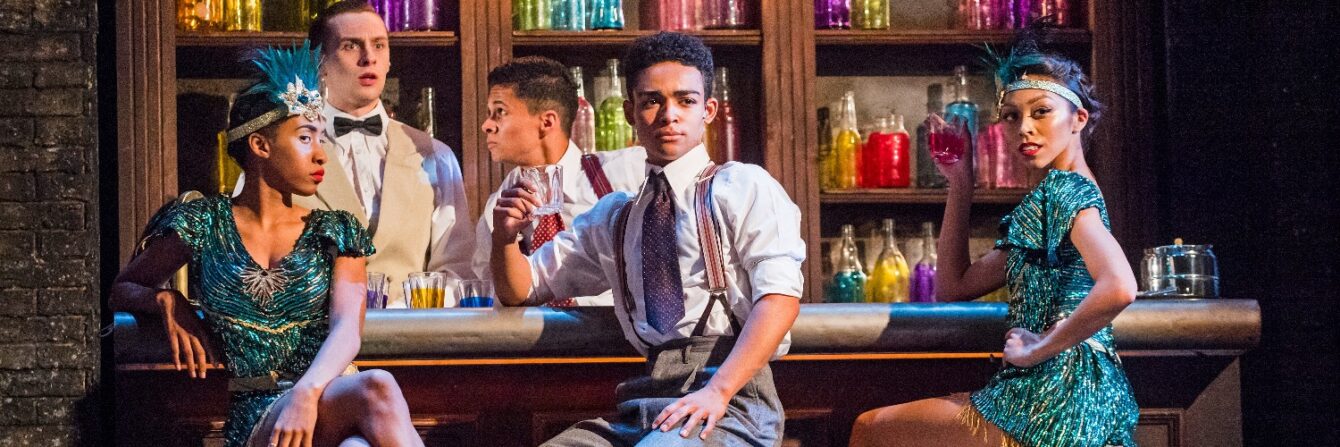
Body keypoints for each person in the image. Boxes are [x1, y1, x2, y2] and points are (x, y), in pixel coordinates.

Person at [491, 32, 805, 446]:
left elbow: (779, 299)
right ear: (630, 112)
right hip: (645, 402)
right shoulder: (615, 216)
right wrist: (504, 238)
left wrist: (718, 390)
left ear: (708, 110)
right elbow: (523, 288)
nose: (669, 115)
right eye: (652, 101)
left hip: (731, 402)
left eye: (685, 101)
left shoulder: (742, 186)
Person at [110, 42, 423, 447]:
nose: (321, 156)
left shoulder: (336, 230)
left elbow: (348, 329)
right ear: (261, 145)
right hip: (258, 411)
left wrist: (305, 394)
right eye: (306, 138)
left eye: (321, 139)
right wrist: (166, 300)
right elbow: (123, 288)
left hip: (327, 393)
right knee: (376, 387)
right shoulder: (204, 222)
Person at [848, 39, 1140, 447]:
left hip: (1053, 396)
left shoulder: (1063, 191)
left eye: (1041, 111)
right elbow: (954, 287)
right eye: (1011, 116)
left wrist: (1039, 348)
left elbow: (1120, 286)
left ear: (1078, 119)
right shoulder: (1060, 197)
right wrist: (960, 181)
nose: (1024, 127)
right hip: (1077, 392)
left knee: (869, 430)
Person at [299, 0, 476, 306]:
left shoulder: (434, 156)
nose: (369, 58)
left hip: (412, 332)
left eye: (379, 45)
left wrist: (401, 313)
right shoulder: (284, 154)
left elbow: (458, 269)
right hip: (317, 333)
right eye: (351, 46)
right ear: (319, 62)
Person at [470, 55, 646, 306]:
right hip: (532, 332)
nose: (486, 125)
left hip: (618, 330)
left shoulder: (627, 171)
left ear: (547, 122)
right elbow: (491, 299)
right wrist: (504, 240)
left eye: (500, 113)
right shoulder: (496, 209)